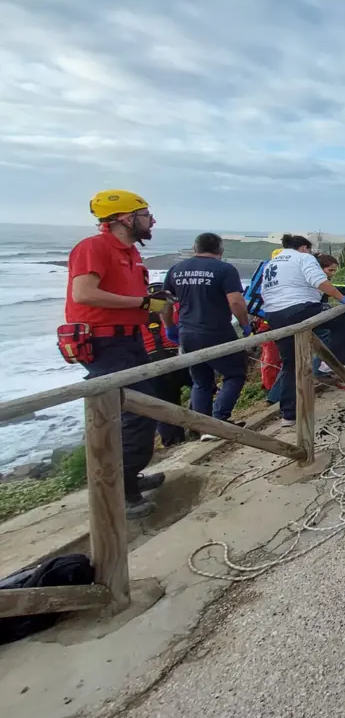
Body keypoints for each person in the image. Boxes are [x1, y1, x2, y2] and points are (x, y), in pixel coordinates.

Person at [65, 190, 175, 518]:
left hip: (129, 340)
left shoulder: (130, 254)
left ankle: (129, 478)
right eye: (145, 214)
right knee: (133, 414)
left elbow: (125, 294)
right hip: (105, 344)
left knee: (144, 409)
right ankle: (121, 492)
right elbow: (84, 293)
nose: (151, 220)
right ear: (126, 218)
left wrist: (150, 301)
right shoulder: (94, 247)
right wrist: (142, 303)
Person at [260, 234, 345, 428]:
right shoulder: (304, 258)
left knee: (290, 363)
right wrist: (340, 298)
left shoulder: (272, 263)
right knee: (341, 317)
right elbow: (319, 281)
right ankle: (334, 363)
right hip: (301, 308)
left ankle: (288, 414)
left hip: (274, 315)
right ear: (304, 248)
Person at [165, 233, 251, 425]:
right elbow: (236, 302)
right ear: (220, 250)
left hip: (187, 332)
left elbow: (164, 303)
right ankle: (219, 420)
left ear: (195, 248)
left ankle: (201, 427)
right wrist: (245, 325)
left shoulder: (176, 269)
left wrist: (170, 327)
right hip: (217, 330)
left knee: (201, 381)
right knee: (234, 373)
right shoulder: (224, 269)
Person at [138, 287, 190, 447]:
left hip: (151, 362)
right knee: (203, 386)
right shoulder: (176, 307)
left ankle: (173, 442)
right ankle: (201, 426)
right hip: (176, 357)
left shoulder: (138, 315)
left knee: (164, 403)